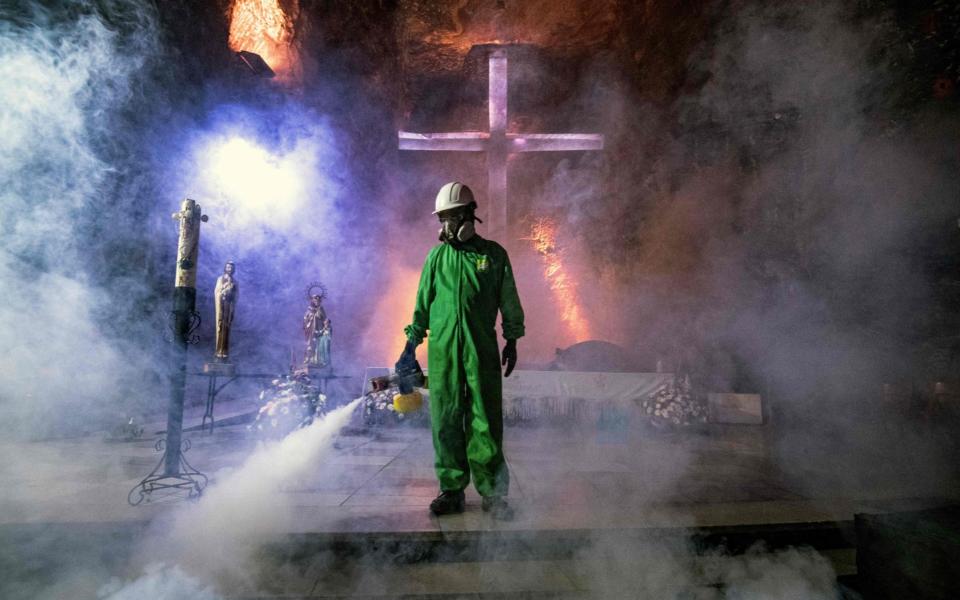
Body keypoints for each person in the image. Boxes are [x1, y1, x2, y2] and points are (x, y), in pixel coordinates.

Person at [399, 181, 525, 520]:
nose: (445, 227)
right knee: (446, 420)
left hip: (480, 352)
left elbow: (508, 300)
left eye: (450, 218)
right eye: (441, 220)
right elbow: (422, 307)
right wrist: (410, 347)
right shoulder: (436, 258)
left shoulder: (493, 255)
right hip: (443, 355)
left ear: (468, 216)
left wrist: (511, 339)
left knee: (485, 421)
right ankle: (451, 490)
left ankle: (494, 494)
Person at [213, 261, 238, 361]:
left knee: (227, 328)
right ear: (225, 268)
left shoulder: (235, 282)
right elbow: (217, 292)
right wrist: (224, 292)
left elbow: (236, 296)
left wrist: (232, 305)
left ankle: (225, 352)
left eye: (231, 268)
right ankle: (218, 351)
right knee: (220, 327)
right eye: (228, 267)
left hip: (229, 305)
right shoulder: (220, 279)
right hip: (221, 305)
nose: (230, 269)